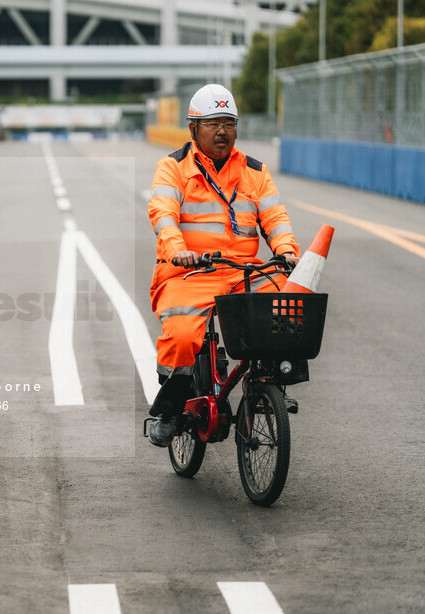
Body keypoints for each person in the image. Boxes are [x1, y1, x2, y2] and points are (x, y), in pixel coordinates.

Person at [147, 83, 301, 447]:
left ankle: (271, 382)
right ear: (193, 128)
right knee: (183, 334)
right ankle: (170, 408)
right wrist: (178, 249)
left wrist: (287, 251)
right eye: (214, 124)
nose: (222, 132)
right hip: (189, 272)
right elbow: (163, 215)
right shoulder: (172, 168)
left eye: (229, 124)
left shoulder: (254, 171)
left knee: (290, 302)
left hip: (240, 272)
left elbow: (275, 218)